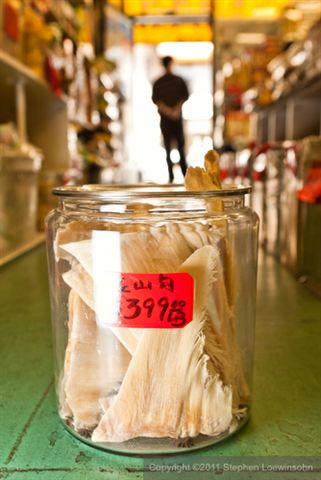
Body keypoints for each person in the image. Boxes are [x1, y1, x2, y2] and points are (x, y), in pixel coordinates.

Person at [152, 56, 189, 183]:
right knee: (179, 147)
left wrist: (168, 111)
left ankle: (172, 176)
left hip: (166, 119)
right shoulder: (178, 80)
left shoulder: (158, 82)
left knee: (170, 148)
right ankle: (185, 176)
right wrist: (174, 111)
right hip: (175, 119)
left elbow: (157, 101)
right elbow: (184, 97)